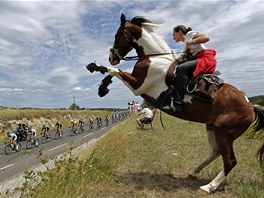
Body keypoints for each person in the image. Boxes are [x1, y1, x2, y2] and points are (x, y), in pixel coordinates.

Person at [167, 25, 217, 112]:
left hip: (206, 60)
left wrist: (193, 41)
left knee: (181, 69)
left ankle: (177, 103)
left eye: (174, 34)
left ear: (179, 32)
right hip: (201, 60)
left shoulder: (189, 35)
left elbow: (206, 37)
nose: (173, 37)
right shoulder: (185, 45)